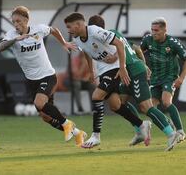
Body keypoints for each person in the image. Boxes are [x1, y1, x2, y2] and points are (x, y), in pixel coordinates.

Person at [88, 15, 181, 151]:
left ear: (94, 28)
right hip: (126, 73)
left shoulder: (108, 35)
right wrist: (143, 63)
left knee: (145, 107)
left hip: (134, 71)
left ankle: (171, 133)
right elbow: (136, 48)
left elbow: (123, 49)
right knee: (119, 103)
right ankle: (139, 130)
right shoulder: (111, 34)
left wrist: (136, 63)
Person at [0, 6, 87, 147]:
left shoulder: (38, 29)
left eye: (18, 21)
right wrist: (15, 39)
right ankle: (78, 133)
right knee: (45, 117)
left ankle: (67, 124)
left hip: (48, 76)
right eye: (14, 21)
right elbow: (0, 47)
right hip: (31, 80)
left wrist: (64, 43)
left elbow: (53, 30)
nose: (16, 24)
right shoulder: (11, 35)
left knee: (39, 103)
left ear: (26, 20)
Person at [64, 12, 153, 149]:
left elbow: (119, 44)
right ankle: (142, 124)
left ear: (79, 24)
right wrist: (92, 70)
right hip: (103, 70)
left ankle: (96, 136)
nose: (68, 30)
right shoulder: (77, 39)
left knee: (96, 96)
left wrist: (122, 67)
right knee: (115, 105)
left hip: (114, 67)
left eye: (69, 27)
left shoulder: (95, 31)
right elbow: (87, 52)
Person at [141, 17, 186, 144]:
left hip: (169, 77)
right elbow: (138, 52)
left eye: (156, 30)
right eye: (152, 30)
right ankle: (167, 123)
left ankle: (180, 131)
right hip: (154, 78)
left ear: (164, 30)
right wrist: (143, 65)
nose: (153, 33)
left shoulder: (173, 42)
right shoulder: (148, 40)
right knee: (150, 107)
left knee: (166, 101)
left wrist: (181, 77)